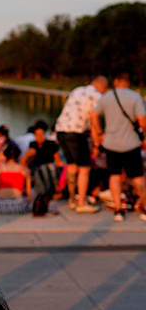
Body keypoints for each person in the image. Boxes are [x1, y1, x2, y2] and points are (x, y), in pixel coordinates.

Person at [90, 70, 146, 223]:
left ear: (116, 81)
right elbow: (142, 121)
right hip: (131, 143)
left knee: (114, 176)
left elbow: (93, 115)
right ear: (128, 82)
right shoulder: (135, 97)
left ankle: (118, 210)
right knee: (138, 178)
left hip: (111, 143)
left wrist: (100, 133)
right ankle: (145, 208)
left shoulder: (107, 96)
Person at [55, 76, 107, 212]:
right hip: (76, 132)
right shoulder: (97, 96)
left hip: (61, 130)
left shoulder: (77, 90)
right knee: (84, 168)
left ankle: (72, 199)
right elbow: (94, 121)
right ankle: (82, 203)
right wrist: (97, 144)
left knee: (71, 166)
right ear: (103, 88)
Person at [22, 122, 64, 215]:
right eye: (38, 135)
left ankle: (56, 189)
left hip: (49, 166)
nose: (40, 137)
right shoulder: (33, 144)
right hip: (36, 167)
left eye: (42, 134)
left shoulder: (51, 144)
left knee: (50, 168)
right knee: (39, 170)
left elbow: (57, 160)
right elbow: (27, 160)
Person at [0, 142, 31, 214]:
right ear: (18, 156)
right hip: (19, 206)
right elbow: (28, 193)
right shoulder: (24, 170)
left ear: (5, 156)